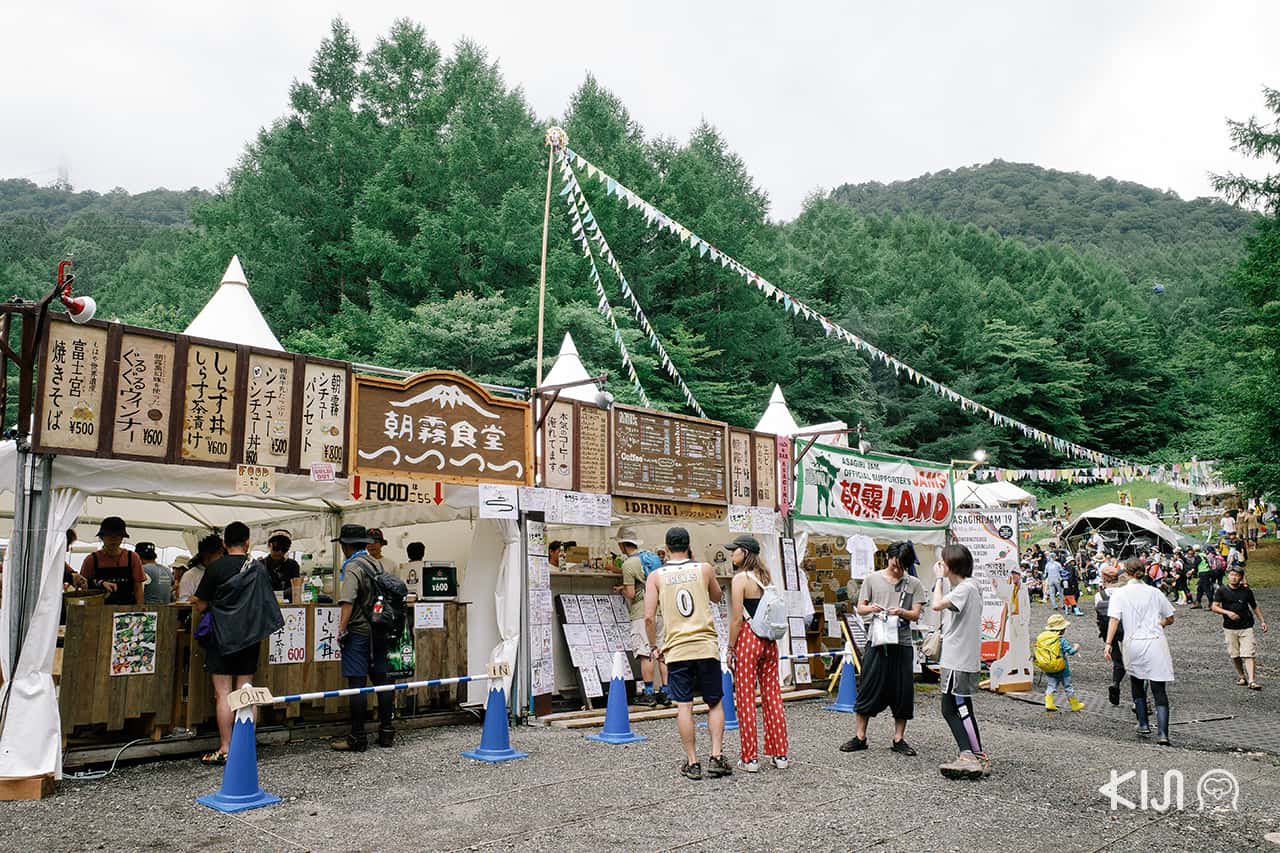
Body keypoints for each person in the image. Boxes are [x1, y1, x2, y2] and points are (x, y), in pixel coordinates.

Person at [644, 526, 730, 780]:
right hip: (705, 645)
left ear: (667, 548)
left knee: (684, 705)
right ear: (688, 545)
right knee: (714, 702)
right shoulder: (704, 569)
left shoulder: (656, 576)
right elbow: (716, 596)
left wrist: (653, 646)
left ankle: (693, 762)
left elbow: (648, 617)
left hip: (677, 648)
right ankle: (716, 756)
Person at [193, 522, 279, 765]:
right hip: (249, 637)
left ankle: (226, 747)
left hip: (221, 636)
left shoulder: (215, 568)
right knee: (247, 692)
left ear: (224, 543)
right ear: (248, 542)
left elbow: (200, 604)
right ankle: (246, 748)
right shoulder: (258, 569)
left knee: (223, 694)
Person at [840, 540, 926, 757]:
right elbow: (860, 608)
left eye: (902, 566)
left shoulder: (913, 583)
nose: (897, 569)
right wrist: (871, 608)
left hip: (902, 642)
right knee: (868, 686)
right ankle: (860, 736)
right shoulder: (872, 579)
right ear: (888, 558)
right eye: (895, 564)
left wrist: (902, 612)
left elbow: (916, 614)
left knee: (903, 691)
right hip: (876, 641)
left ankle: (899, 738)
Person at [727, 534, 788, 773]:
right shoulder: (765, 576)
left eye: (734, 551)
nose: (732, 555)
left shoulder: (740, 579)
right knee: (772, 696)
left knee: (745, 698)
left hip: (748, 640)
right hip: (770, 642)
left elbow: (736, 619)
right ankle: (779, 753)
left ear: (744, 552)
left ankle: (750, 758)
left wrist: (730, 648)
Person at [332, 524, 396, 751]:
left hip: (359, 632)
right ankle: (387, 732)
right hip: (379, 630)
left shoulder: (352, 567)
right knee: (382, 682)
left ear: (347, 545)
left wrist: (340, 629)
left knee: (357, 685)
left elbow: (347, 600)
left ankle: (357, 738)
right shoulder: (376, 563)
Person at [930, 544, 988, 779]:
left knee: (955, 707)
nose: (940, 565)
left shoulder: (964, 588)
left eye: (942, 562)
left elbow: (936, 604)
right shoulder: (970, 587)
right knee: (960, 707)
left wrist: (938, 581)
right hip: (961, 656)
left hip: (958, 657)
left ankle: (971, 755)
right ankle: (974, 754)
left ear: (951, 565)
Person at [1105, 559, 1176, 745]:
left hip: (1133, 642)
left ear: (1126, 573)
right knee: (1159, 689)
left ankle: (1143, 724)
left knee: (1137, 683)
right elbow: (1170, 617)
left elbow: (1114, 620)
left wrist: (1108, 643)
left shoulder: (1120, 594)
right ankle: (1163, 734)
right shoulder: (1155, 592)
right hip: (1155, 642)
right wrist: (1160, 623)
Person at [614, 526, 669, 707]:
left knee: (645, 654)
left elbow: (631, 593)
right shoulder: (652, 558)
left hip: (641, 613)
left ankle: (648, 694)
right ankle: (666, 693)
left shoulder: (629, 564)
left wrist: (622, 590)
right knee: (661, 652)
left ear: (623, 545)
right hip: (660, 611)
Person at [1210, 566, 1267, 690]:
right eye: (1231, 575)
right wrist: (1227, 613)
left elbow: (1254, 606)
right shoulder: (1221, 590)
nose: (1233, 577)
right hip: (1229, 627)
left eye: (1236, 575)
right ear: (1228, 576)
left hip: (1246, 626)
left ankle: (1252, 681)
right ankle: (1242, 676)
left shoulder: (1246, 591)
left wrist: (1262, 621)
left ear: (1241, 577)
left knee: (1248, 653)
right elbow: (1214, 607)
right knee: (1235, 654)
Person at [79, 516, 145, 605]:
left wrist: (139, 610)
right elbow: (83, 586)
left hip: (126, 610)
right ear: (102, 537)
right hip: (99, 610)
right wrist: (100, 583)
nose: (113, 539)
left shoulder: (132, 557)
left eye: (117, 536)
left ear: (122, 538)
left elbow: (138, 588)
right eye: (109, 535)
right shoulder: (91, 559)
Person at [1094, 561, 1127, 706]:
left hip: (1108, 631)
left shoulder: (1099, 595)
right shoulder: (1124, 592)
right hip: (1126, 628)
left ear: (1104, 578)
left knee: (1117, 661)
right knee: (1133, 661)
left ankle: (1115, 683)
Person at [1037, 613, 1083, 712]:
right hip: (1062, 668)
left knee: (1051, 685)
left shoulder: (1043, 638)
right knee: (1068, 686)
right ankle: (1075, 705)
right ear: (1061, 629)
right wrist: (1076, 647)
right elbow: (1071, 652)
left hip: (1048, 667)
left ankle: (1049, 703)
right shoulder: (1061, 640)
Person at [179, 534, 224, 602]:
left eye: (223, 553)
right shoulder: (190, 575)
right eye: (219, 553)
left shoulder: (221, 572)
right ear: (207, 555)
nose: (222, 557)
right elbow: (183, 601)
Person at [263, 529, 302, 603]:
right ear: (269, 545)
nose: (280, 552)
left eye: (284, 549)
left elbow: (296, 589)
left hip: (288, 608)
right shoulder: (260, 565)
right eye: (276, 548)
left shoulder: (293, 565)